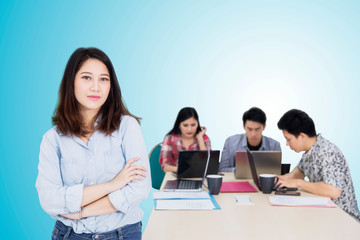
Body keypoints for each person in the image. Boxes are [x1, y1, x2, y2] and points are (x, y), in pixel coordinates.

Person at [35, 47, 151, 239]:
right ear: (71, 82)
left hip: (122, 234)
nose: (96, 87)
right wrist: (112, 185)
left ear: (110, 86)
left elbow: (139, 189)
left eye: (103, 79)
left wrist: (81, 212)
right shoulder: (52, 140)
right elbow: (50, 200)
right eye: (87, 77)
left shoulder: (127, 127)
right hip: (70, 234)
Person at [277, 109, 360, 222]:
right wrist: (277, 179)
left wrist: (298, 183)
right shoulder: (310, 151)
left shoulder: (328, 152)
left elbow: (333, 191)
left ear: (302, 136)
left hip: (343, 219)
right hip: (325, 213)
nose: (287, 144)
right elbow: (296, 175)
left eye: (288, 139)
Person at [219, 107, 281, 172]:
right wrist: (242, 171)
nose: (253, 134)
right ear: (244, 126)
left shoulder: (274, 146)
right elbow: (222, 169)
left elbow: (276, 172)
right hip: (237, 181)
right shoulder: (230, 142)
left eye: (257, 129)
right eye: (249, 129)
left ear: (264, 127)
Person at [159, 107, 211, 173]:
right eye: (185, 125)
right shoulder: (169, 138)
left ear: (197, 124)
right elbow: (165, 167)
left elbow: (208, 163)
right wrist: (183, 170)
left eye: (193, 125)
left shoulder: (204, 138)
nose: (189, 129)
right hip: (176, 177)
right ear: (179, 125)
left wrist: (200, 139)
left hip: (199, 177)